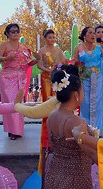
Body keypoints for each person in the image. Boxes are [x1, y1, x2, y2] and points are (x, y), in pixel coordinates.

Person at [44, 67, 96, 189]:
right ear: (76, 94)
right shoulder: (75, 121)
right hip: (75, 180)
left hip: (57, 174)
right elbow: (90, 151)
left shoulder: (53, 116)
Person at [0, 23, 39, 140]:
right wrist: (6, 58)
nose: (15, 33)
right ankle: (12, 130)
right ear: (8, 34)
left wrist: (38, 59)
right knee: (11, 102)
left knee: (19, 103)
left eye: (17, 31)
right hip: (8, 77)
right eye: (13, 31)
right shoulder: (4, 45)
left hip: (21, 77)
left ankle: (18, 130)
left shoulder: (24, 47)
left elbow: (29, 62)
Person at [37, 29, 67, 174]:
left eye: (54, 37)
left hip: (56, 78)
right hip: (45, 77)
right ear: (45, 38)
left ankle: (56, 119)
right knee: (47, 100)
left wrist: (59, 69)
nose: (52, 39)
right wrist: (47, 70)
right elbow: (38, 65)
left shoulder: (58, 50)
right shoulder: (42, 50)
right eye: (50, 37)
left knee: (57, 100)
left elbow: (64, 63)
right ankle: (47, 120)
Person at [73, 26, 103, 138]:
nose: (93, 35)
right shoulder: (78, 48)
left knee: (98, 104)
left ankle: (97, 131)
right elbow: (74, 61)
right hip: (85, 78)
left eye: (94, 33)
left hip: (98, 78)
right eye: (90, 33)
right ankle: (86, 129)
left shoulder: (99, 48)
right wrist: (79, 66)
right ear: (84, 35)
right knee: (85, 103)